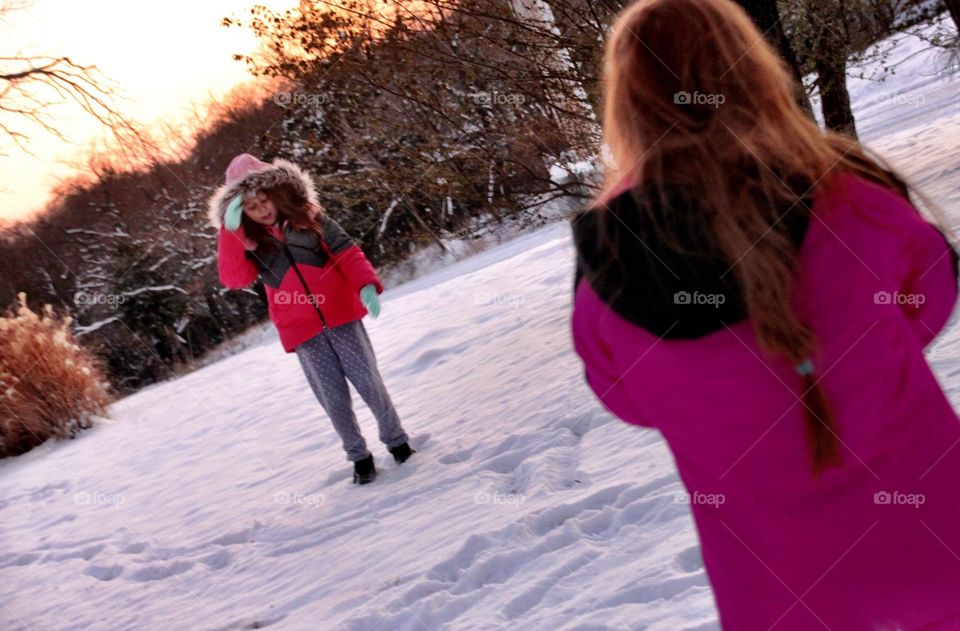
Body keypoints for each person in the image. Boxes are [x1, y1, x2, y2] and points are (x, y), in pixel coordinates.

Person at [570, 0, 960, 628]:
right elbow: (929, 298)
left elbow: (627, 398)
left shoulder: (610, 263)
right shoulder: (850, 190)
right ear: (752, 69)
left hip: (781, 598)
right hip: (941, 552)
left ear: (627, 106)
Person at [209, 153, 414, 485]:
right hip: (303, 332)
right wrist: (229, 233)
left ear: (276, 192)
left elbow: (346, 250)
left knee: (370, 384)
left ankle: (398, 442)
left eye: (264, 199)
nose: (261, 209)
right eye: (250, 206)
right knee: (333, 399)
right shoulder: (248, 244)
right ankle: (359, 457)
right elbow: (233, 279)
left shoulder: (309, 217)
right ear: (239, 211)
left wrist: (366, 285)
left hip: (341, 317)